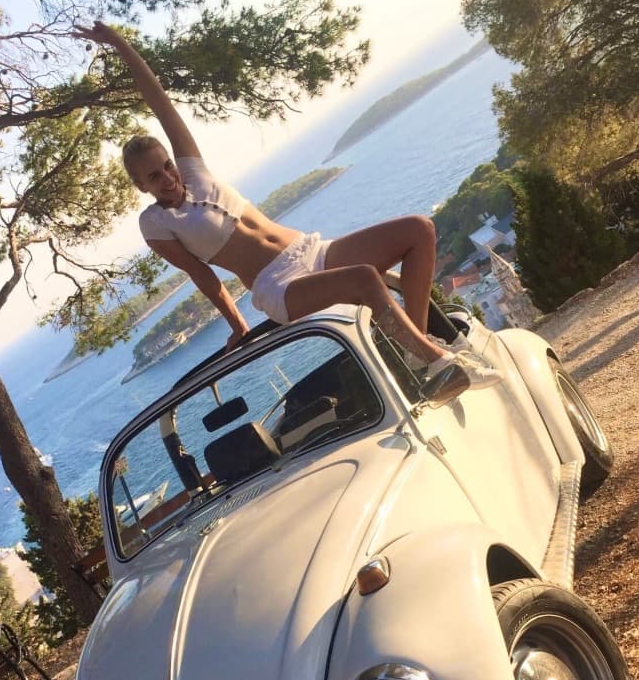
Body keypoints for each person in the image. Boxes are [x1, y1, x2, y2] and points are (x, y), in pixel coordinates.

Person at [74, 22, 500, 402]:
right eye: (153, 177)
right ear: (140, 185)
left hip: (312, 251)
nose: (167, 177)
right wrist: (238, 324)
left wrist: (119, 44)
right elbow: (201, 275)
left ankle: (420, 351)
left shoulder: (194, 170)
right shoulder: (157, 223)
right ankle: (440, 362)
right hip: (278, 287)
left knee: (419, 230)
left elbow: (160, 102)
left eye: (166, 165)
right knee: (367, 279)